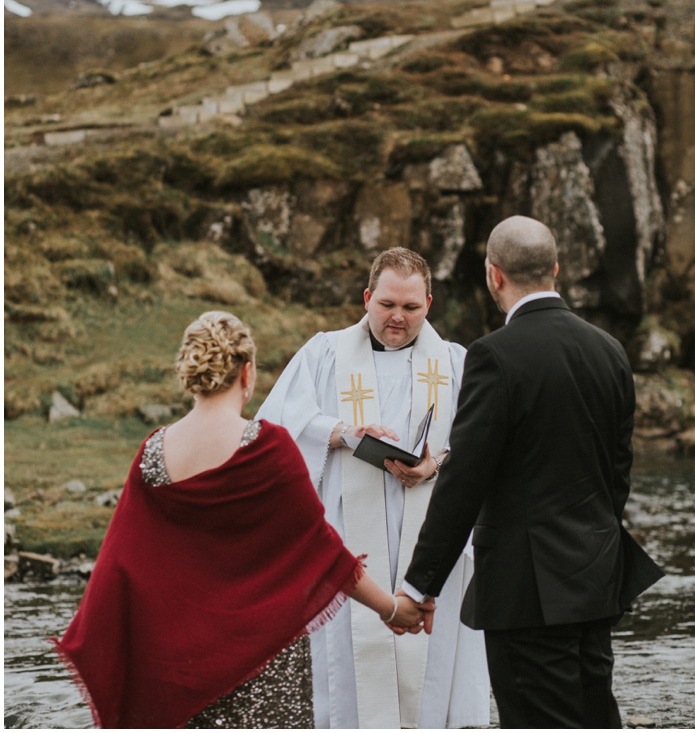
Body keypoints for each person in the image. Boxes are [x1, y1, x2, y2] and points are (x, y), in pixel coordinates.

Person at [53, 311, 426, 730]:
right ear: (247, 373)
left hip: (179, 667)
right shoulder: (268, 447)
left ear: (188, 371)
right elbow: (320, 548)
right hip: (262, 667)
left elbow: (121, 565)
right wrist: (392, 608)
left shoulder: (153, 452)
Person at [399, 215, 664, 728]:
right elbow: (617, 474)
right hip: (594, 578)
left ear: (493, 275)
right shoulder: (610, 350)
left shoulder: (495, 356)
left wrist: (418, 587)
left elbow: (465, 480)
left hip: (527, 593)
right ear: (556, 269)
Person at [257, 247, 490, 728]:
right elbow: (273, 428)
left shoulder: (454, 363)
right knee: (348, 667)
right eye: (387, 305)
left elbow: (486, 441)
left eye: (411, 307)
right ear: (367, 298)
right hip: (347, 537)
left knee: (432, 669)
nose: (398, 318)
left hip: (432, 541)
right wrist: (342, 433)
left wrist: (436, 462)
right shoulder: (324, 353)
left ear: (430, 302)